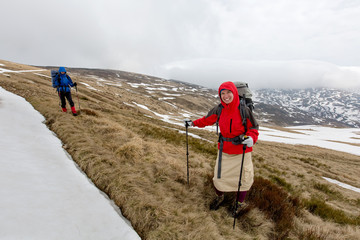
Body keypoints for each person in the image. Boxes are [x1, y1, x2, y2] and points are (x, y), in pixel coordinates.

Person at [185, 81, 259, 216]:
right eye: (222, 93)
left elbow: (253, 128)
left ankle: (238, 204)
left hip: (242, 152)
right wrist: (192, 123)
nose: (226, 96)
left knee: (243, 179)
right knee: (219, 178)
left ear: (234, 92)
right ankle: (220, 197)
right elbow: (206, 120)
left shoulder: (244, 111)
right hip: (224, 150)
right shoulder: (219, 109)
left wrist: (251, 138)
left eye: (228, 92)